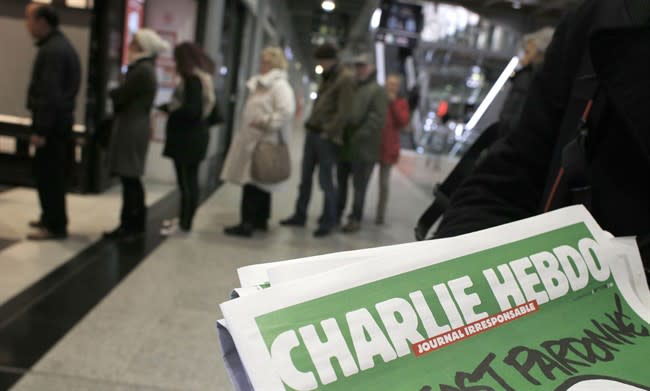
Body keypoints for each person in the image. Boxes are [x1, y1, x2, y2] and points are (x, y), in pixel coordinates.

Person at [435, 0, 650, 275]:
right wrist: (453, 277)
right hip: (564, 281)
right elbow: (511, 177)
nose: (525, 54)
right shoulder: (605, 20)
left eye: (528, 50)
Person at [280, 43, 355, 237]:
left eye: (322, 61)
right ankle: (300, 214)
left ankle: (328, 220)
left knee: (325, 181)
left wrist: (328, 132)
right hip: (313, 133)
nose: (320, 65)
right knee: (305, 178)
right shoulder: (327, 76)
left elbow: (344, 112)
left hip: (326, 137)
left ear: (331, 60)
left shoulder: (344, 78)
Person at [221, 47, 296, 238]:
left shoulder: (279, 86)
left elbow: (285, 112)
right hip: (253, 140)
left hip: (264, 142)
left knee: (254, 182)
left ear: (273, 63)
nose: (261, 65)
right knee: (259, 182)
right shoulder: (263, 85)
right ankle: (260, 220)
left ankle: (247, 223)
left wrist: (265, 122)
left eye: (264, 61)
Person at [104, 29, 169, 239]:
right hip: (134, 125)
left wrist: (113, 91)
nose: (130, 45)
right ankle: (132, 224)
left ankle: (130, 224)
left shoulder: (141, 70)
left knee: (130, 178)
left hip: (132, 127)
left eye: (134, 42)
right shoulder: (145, 69)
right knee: (131, 177)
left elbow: (121, 95)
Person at [25, 3, 81, 241]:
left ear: (42, 22)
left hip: (53, 126)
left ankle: (56, 224)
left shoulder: (54, 51)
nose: (26, 25)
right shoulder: (57, 47)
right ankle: (50, 216)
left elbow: (49, 94)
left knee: (50, 175)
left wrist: (41, 129)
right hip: (58, 123)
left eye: (29, 19)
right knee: (47, 173)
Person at [158, 42, 216, 237]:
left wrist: (171, 110)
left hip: (188, 138)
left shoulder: (192, 80)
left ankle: (185, 224)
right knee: (188, 181)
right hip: (195, 137)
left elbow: (192, 110)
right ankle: (184, 221)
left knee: (187, 182)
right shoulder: (201, 78)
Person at [337, 53, 388, 233]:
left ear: (371, 68)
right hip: (345, 146)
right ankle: (337, 213)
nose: (359, 70)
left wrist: (357, 135)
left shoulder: (377, 90)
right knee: (341, 185)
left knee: (359, 188)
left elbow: (377, 119)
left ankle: (355, 218)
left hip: (364, 150)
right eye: (357, 66)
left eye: (363, 66)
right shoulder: (352, 87)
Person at [498, 27, 554, 138]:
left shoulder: (527, 78)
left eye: (527, 53)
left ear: (541, 54)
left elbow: (510, 116)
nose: (523, 59)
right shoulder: (547, 81)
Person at [375, 74, 410, 226]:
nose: (391, 87)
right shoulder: (378, 99)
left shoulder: (401, 103)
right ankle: (356, 214)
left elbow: (402, 122)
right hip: (373, 145)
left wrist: (393, 103)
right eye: (389, 84)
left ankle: (380, 215)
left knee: (384, 184)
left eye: (394, 84)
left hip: (389, 148)